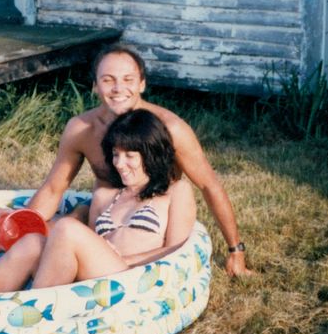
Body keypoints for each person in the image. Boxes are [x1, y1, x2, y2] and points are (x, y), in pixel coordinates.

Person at [27, 45, 252, 277]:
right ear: (95, 85)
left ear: (142, 84)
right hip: (103, 224)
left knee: (68, 226)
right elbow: (53, 188)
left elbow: (209, 185)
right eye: (108, 80)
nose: (118, 89)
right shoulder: (82, 129)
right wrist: (22, 232)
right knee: (49, 233)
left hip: (146, 236)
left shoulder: (170, 129)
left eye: (128, 79)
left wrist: (236, 250)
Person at [0, 110, 196, 292]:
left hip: (129, 275)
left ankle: (37, 314)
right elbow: (82, 245)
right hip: (93, 277)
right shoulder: (105, 195)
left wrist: (129, 259)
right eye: (115, 154)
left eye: (130, 155)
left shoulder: (175, 191)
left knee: (67, 228)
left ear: (151, 153)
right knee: (32, 242)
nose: (120, 163)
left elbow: (177, 249)